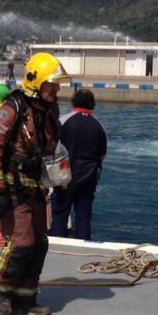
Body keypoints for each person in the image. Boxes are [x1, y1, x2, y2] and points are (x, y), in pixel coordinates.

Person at [0, 52, 70, 315]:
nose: (56, 89)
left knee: (39, 242)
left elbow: (50, 148)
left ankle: (25, 297)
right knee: (21, 242)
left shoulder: (49, 109)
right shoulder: (12, 109)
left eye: (57, 84)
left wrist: (60, 177)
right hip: (11, 185)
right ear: (36, 82)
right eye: (51, 84)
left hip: (36, 184)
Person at [50, 89, 107, 240]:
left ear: (74, 101)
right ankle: (83, 245)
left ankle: (57, 246)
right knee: (84, 216)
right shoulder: (99, 125)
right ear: (92, 104)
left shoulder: (64, 120)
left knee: (60, 213)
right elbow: (102, 154)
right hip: (89, 176)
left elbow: (53, 147)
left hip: (65, 176)